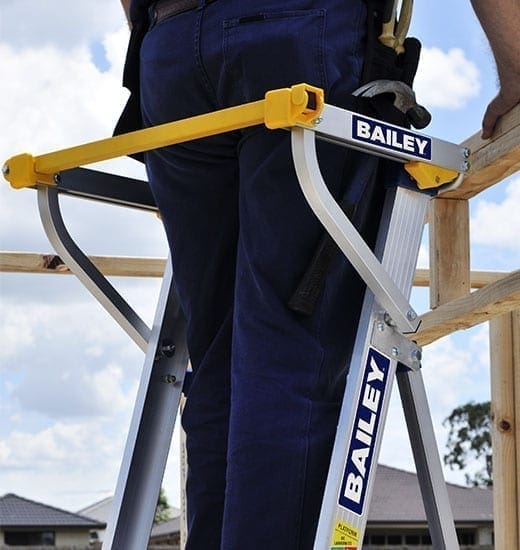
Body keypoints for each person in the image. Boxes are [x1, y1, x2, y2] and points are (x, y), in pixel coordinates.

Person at [116, 1, 520, 548]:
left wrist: (183, 33)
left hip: (169, 49)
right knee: (293, 356)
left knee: (218, 362)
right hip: (298, 31)